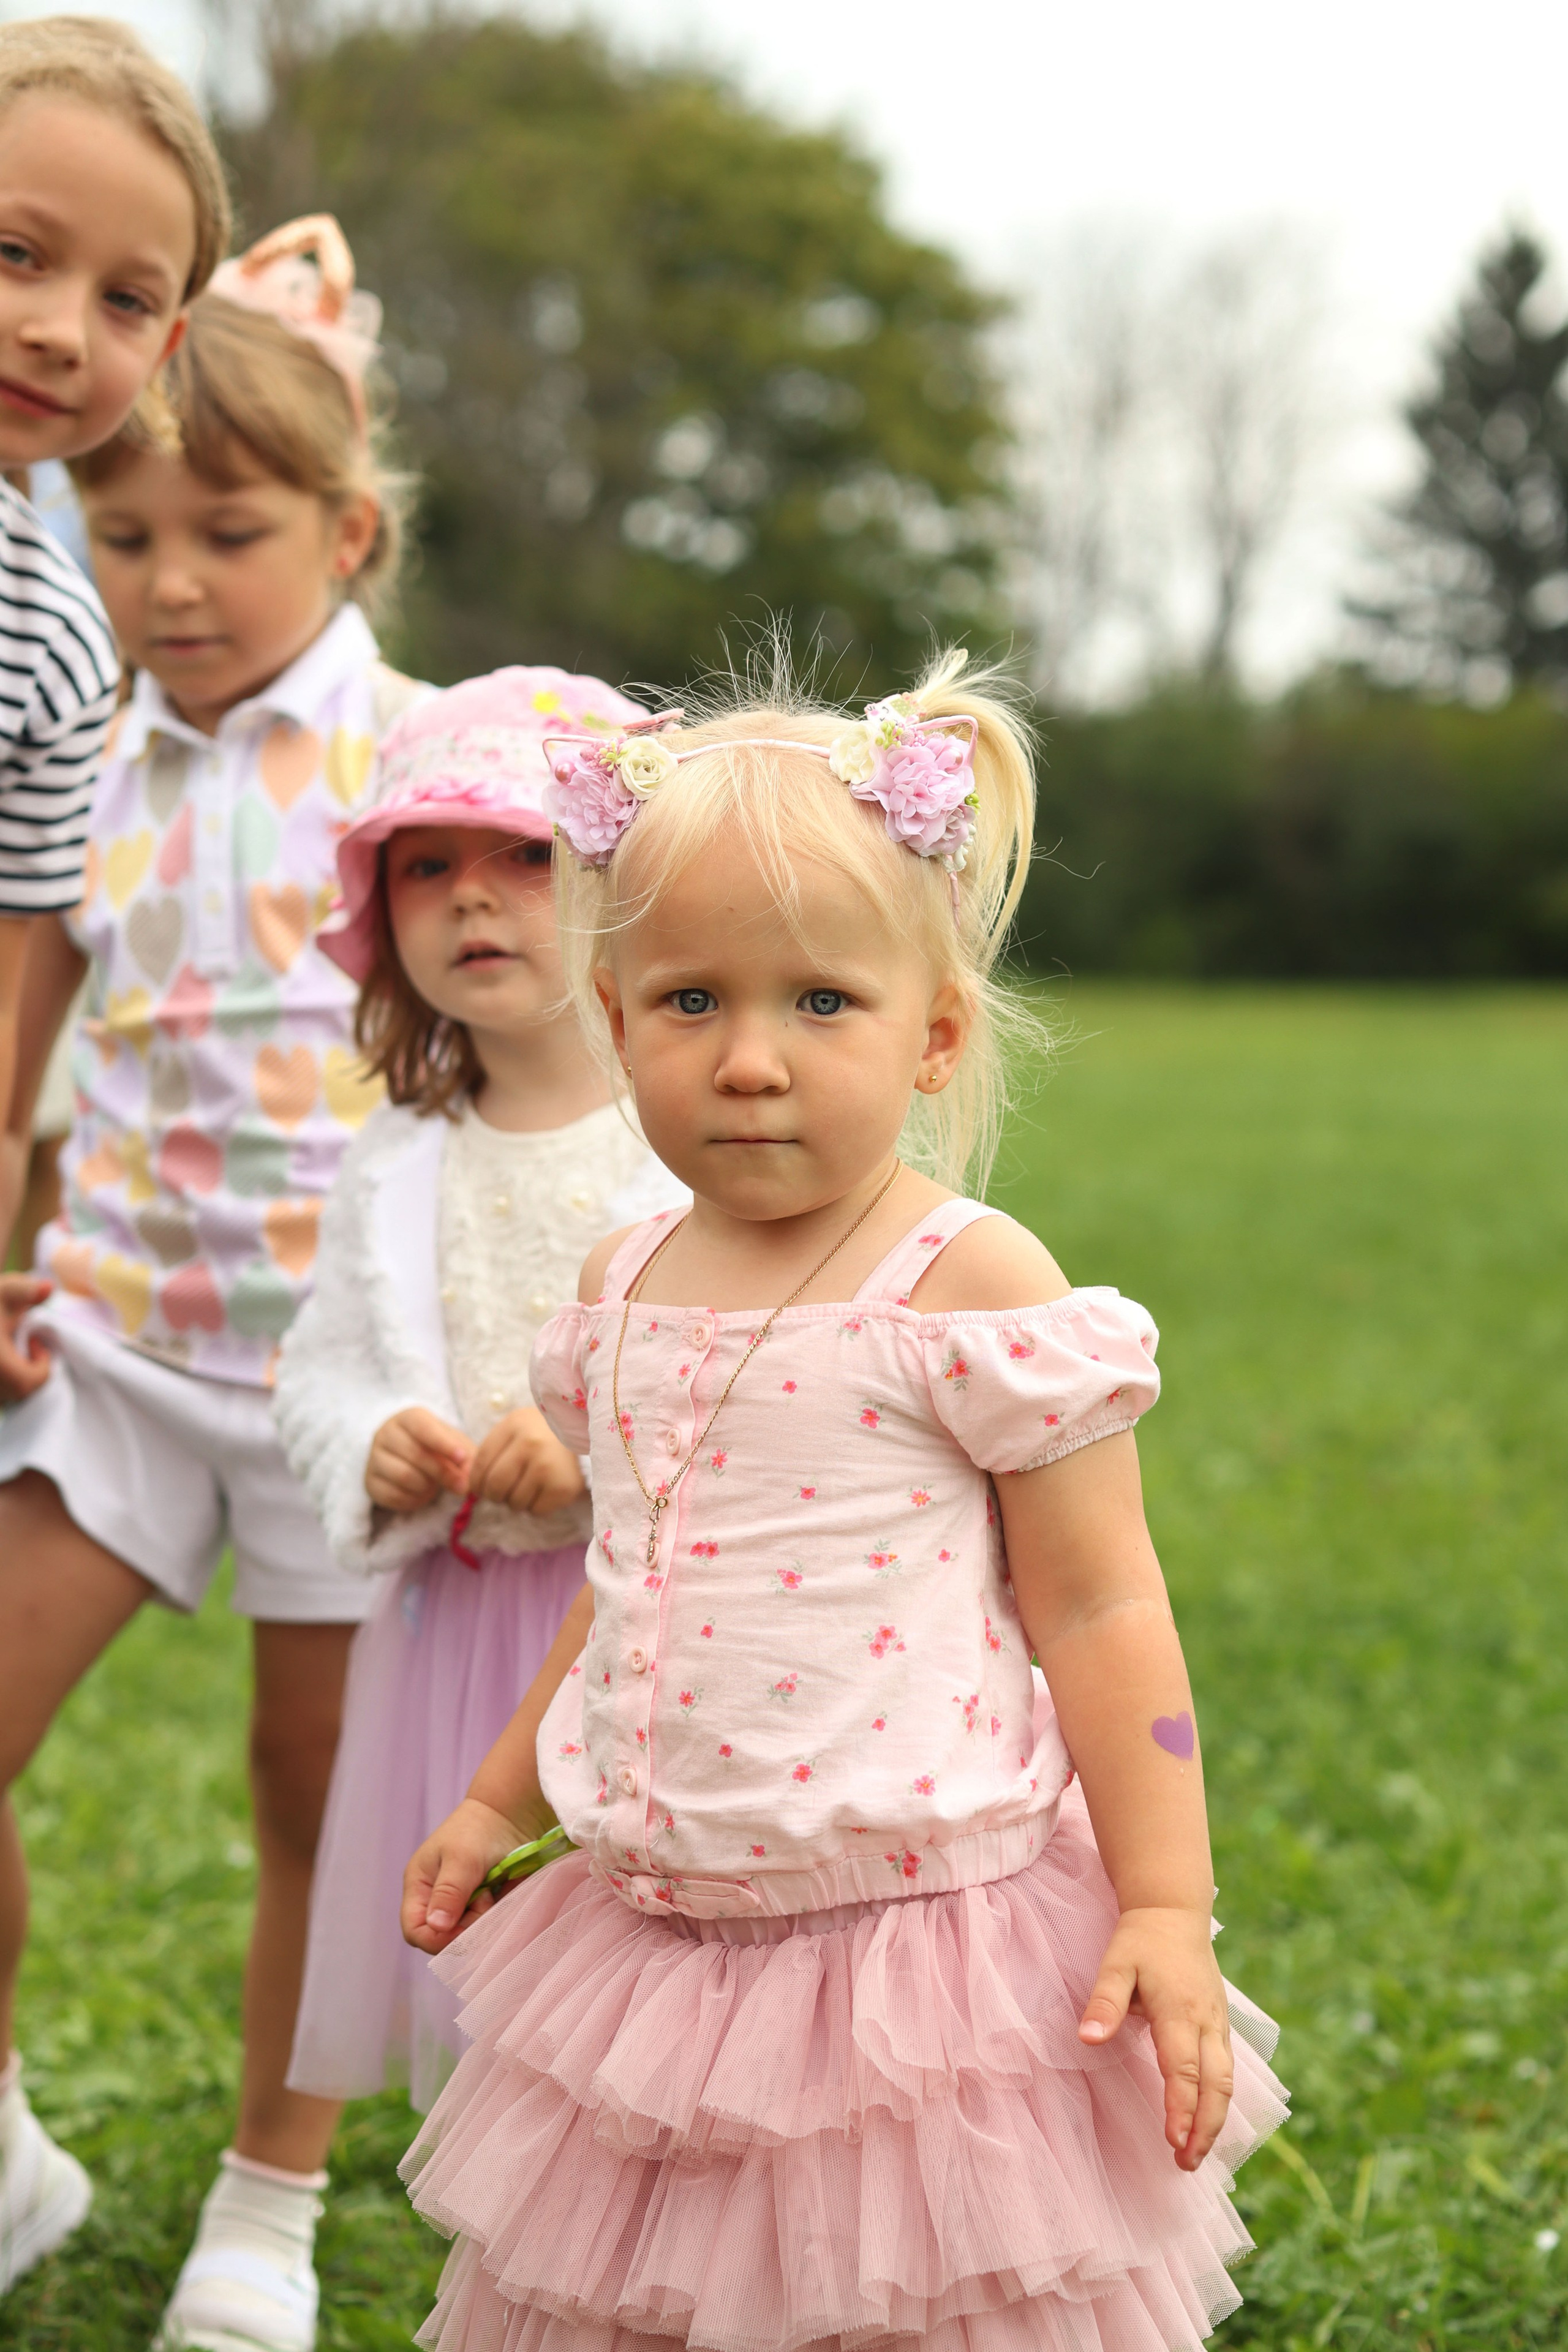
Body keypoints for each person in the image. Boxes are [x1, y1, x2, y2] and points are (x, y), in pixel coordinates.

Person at [398, 654, 1291, 2352]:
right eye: (689, 1003)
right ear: (613, 1020)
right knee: (642, 2289)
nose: (750, 1062)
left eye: (820, 1003)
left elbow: (1104, 1608)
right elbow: (631, 1569)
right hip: (658, 1935)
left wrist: (1168, 1901)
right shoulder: (624, 1281)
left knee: (910, 2294)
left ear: (935, 1029)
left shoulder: (968, 1285)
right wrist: (498, 1794)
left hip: (917, 1952)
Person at [0, 220, 423, 2350]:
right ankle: (1, 2146)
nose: (169, 579)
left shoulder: (428, 768)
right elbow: (14, 1032)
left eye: (229, 532)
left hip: (350, 1393)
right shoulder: (73, 762)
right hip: (114, 1348)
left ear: (347, 533)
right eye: (123, 524)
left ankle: (268, 2202)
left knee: (315, 1794)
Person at [274, 668, 688, 2119]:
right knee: (505, 1979)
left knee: (656, 1967)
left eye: (525, 854)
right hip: (456, 1640)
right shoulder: (398, 1157)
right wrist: (368, 1439)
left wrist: (592, 1438)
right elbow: (321, 1366)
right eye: (426, 866)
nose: (471, 899)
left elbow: (779, 1360)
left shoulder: (684, 1135)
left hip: (646, 1632)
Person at [0, 15, 230, 1242]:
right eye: (15, 250)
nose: (59, 329)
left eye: (126, 300)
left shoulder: (60, 641)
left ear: (166, 348)